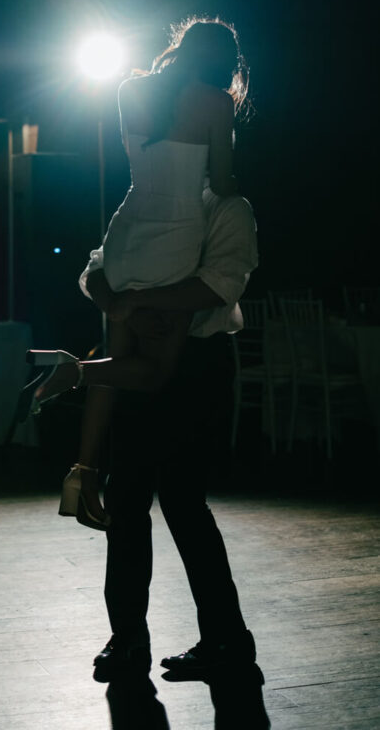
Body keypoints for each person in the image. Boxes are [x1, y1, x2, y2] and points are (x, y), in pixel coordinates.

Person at [21, 17, 250, 527]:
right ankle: (73, 372)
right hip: (175, 235)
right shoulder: (216, 102)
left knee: (117, 367)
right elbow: (224, 179)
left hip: (127, 229)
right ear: (222, 62)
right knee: (153, 371)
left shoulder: (129, 89)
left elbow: (142, 166)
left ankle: (82, 475)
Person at [86, 186, 260, 682]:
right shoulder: (145, 196)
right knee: (126, 499)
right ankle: (127, 640)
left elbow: (218, 286)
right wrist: (121, 306)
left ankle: (226, 640)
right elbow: (96, 266)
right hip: (142, 350)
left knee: (184, 504)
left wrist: (134, 300)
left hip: (199, 366)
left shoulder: (229, 206)